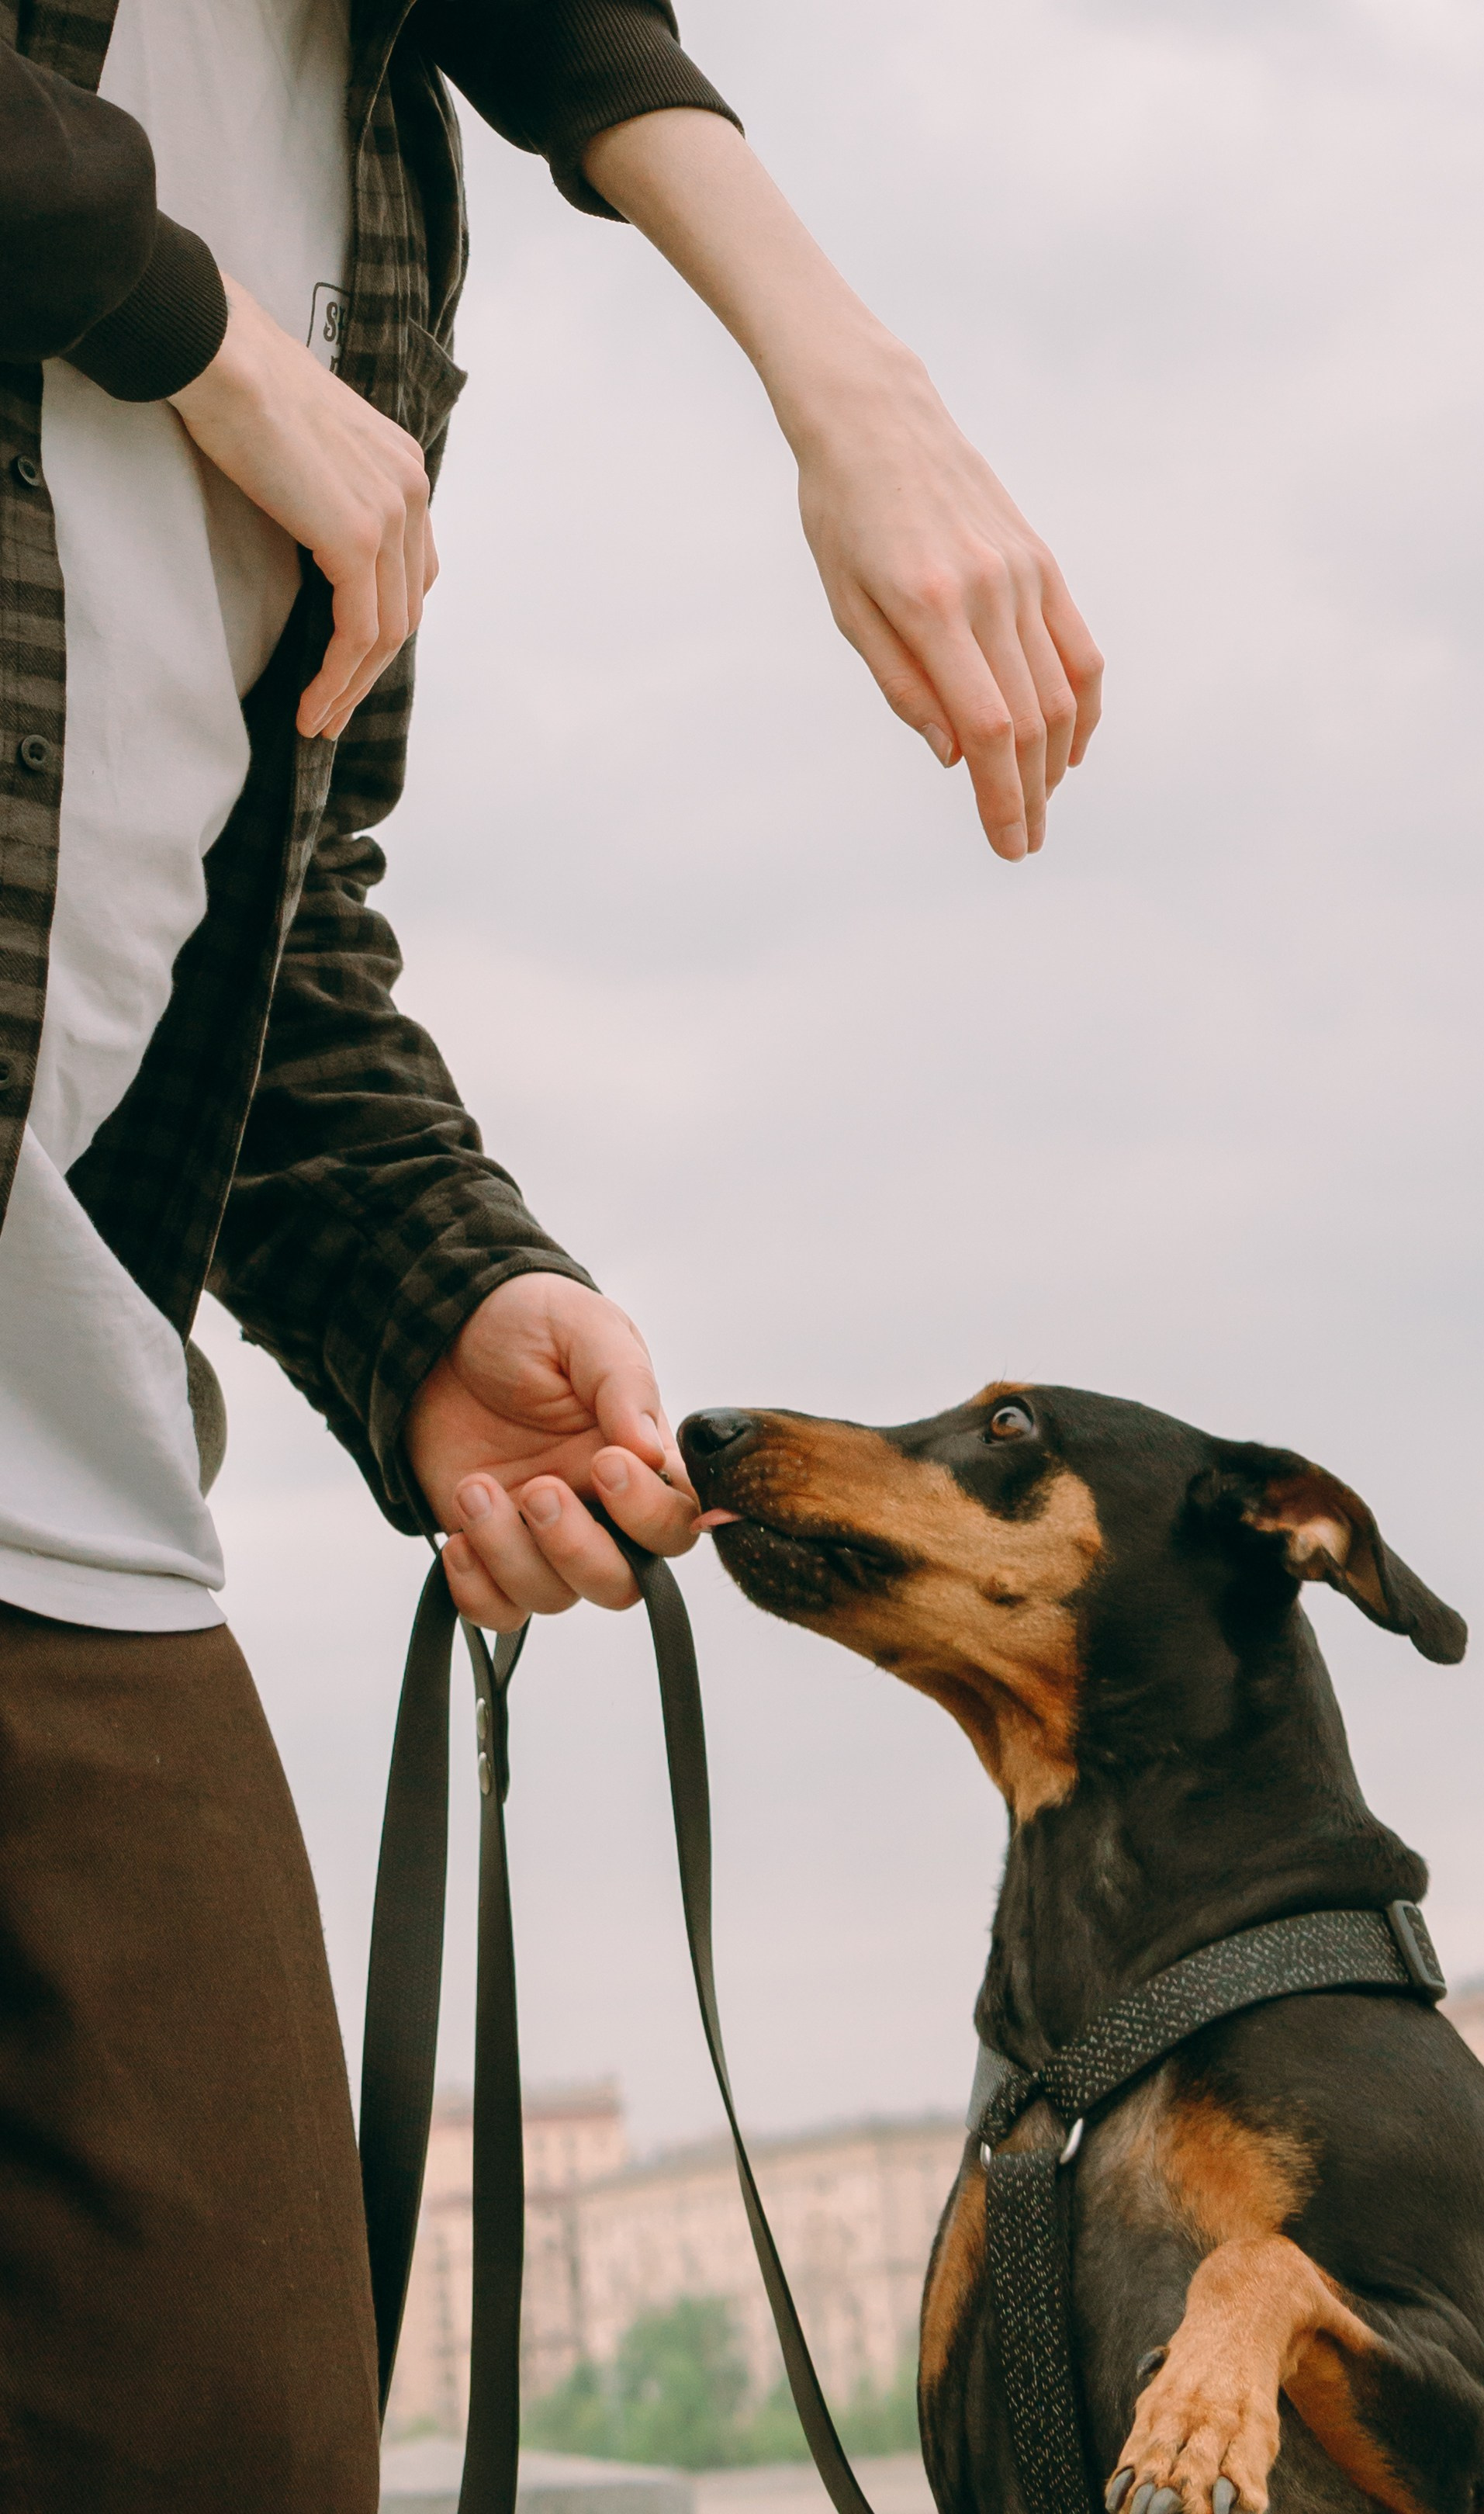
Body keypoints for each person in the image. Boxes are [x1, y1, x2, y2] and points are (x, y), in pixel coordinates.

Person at [0, 1, 1102, 2502]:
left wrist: (436, 1301)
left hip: (49, 1448)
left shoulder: (382, 182)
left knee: (239, 2421)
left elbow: (258, 930)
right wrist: (195, 338)